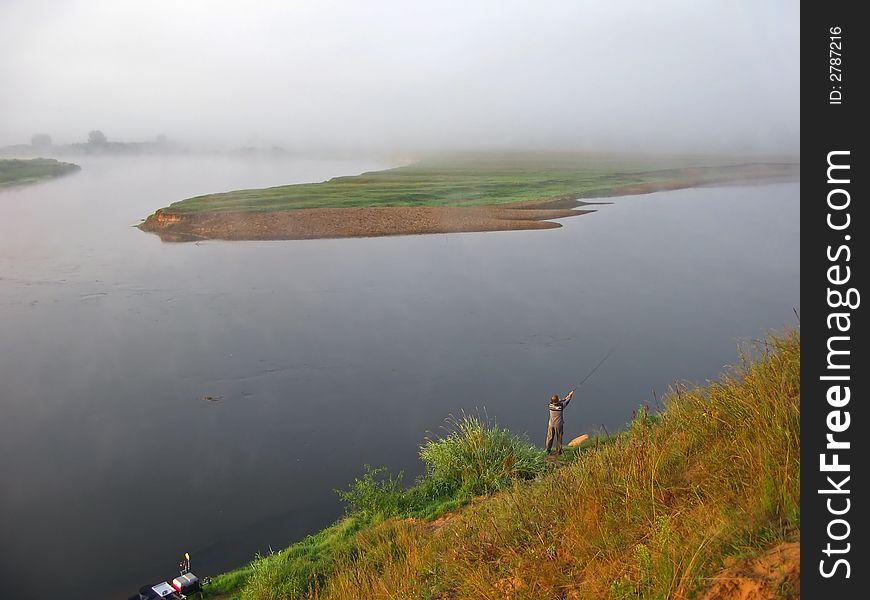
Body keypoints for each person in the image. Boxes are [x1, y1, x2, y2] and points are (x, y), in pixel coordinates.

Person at [546, 389, 575, 455]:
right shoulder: (561, 407)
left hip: (551, 424)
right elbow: (567, 402)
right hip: (558, 425)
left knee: (550, 437)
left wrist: (566, 397)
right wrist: (570, 396)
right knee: (559, 438)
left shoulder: (550, 405)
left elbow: (560, 401)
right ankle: (558, 451)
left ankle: (548, 450)